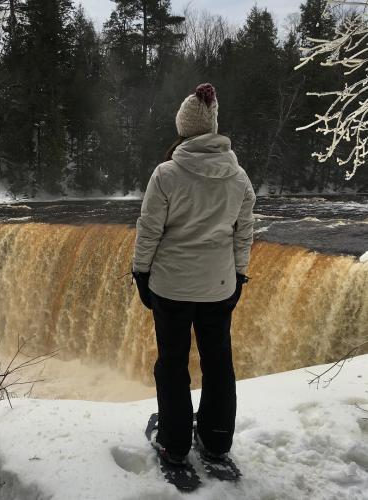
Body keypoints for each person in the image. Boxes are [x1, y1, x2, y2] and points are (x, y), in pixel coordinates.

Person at [132, 83, 256, 466]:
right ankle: (217, 441)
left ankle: (174, 442)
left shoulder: (167, 173)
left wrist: (140, 272)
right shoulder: (239, 178)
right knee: (218, 362)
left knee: (172, 362)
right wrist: (238, 275)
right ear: (214, 128)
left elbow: (149, 228)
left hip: (171, 285)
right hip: (218, 287)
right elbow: (244, 232)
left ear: (183, 129)